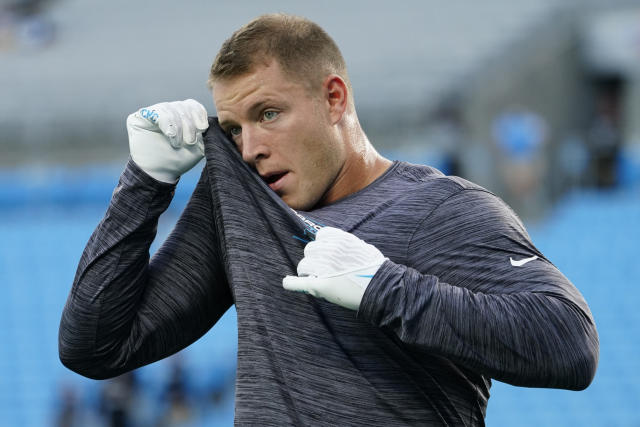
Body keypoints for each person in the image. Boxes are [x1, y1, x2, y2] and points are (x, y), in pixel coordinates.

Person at [59, 13, 599, 426]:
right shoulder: (249, 208)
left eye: (268, 114)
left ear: (334, 98)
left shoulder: (439, 208)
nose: (250, 148)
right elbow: (96, 346)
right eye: (234, 128)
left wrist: (385, 288)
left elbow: (571, 344)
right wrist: (145, 182)